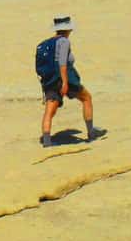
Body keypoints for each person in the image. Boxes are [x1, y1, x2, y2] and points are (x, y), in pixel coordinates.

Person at [39, 16, 100, 147]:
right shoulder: (64, 42)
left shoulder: (48, 42)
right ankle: (91, 133)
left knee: (49, 110)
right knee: (86, 98)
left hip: (50, 80)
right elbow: (62, 64)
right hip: (65, 78)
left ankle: (47, 141)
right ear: (68, 29)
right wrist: (65, 82)